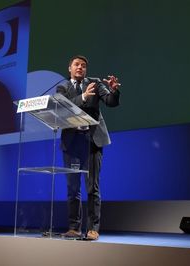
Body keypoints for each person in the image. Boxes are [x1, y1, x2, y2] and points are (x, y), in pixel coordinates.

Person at [56, 55, 121, 241]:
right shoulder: (63, 88)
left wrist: (114, 91)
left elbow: (110, 101)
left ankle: (93, 229)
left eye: (83, 66)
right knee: (72, 187)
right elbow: (62, 107)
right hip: (71, 142)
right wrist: (83, 97)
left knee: (92, 186)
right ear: (69, 68)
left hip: (92, 141)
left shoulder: (95, 83)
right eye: (77, 64)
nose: (80, 68)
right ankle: (74, 227)